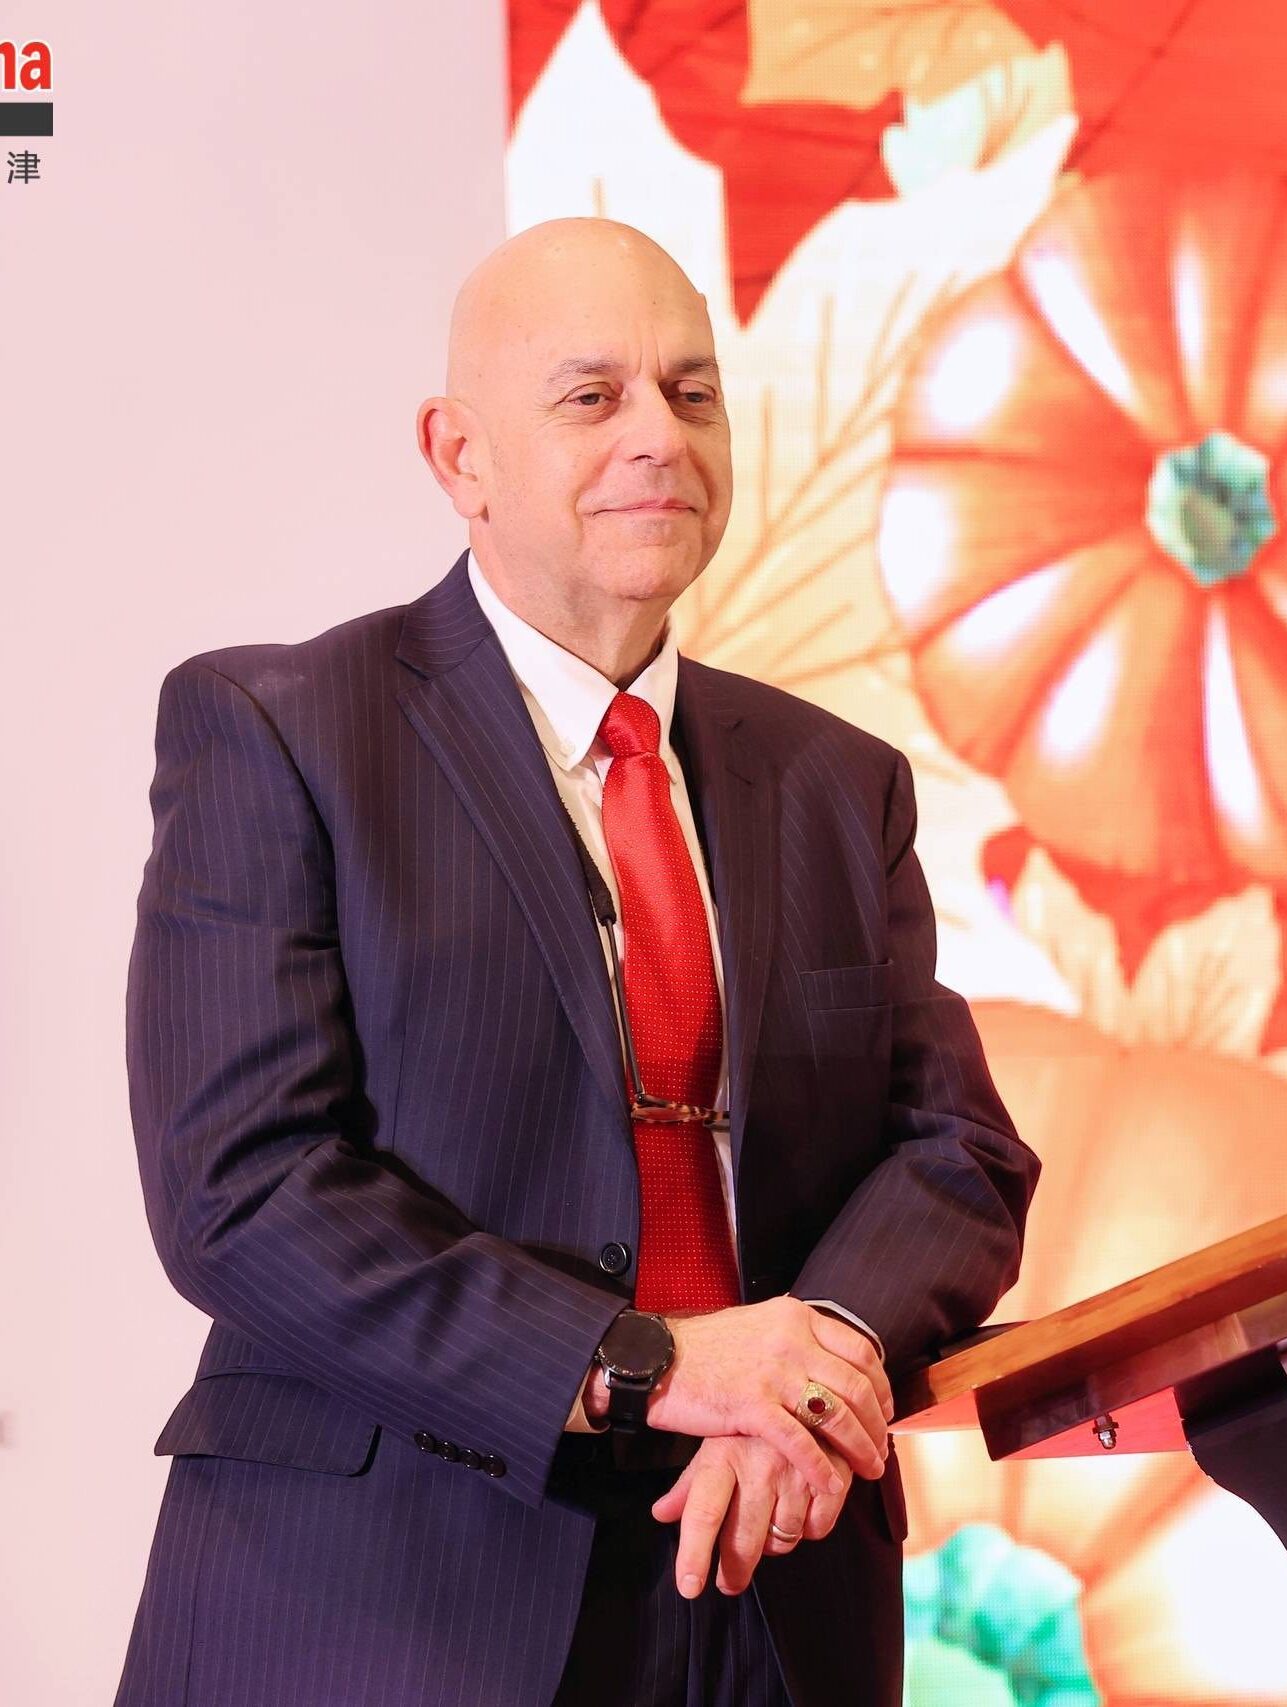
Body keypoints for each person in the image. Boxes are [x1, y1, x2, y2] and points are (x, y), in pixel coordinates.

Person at [115, 218, 1038, 1707]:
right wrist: (649, 1365)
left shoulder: (836, 780)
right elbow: (243, 1191)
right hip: (392, 1592)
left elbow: (956, 1151)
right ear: (459, 455)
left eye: (692, 392)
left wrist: (817, 1362)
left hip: (769, 1584)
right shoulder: (281, 731)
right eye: (592, 397)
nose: (658, 436)